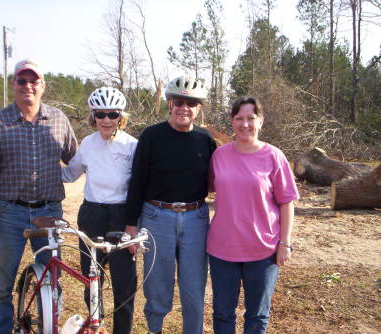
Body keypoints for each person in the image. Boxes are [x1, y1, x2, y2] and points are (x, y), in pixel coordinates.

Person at [0, 59, 78, 334]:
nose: (28, 86)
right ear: (14, 84)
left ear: (42, 86)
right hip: (10, 213)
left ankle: (48, 328)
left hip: (49, 214)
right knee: (2, 284)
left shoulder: (58, 120)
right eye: (22, 81)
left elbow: (78, 159)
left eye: (34, 81)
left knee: (52, 280)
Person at [126, 76, 217, 334]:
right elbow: (137, 182)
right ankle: (155, 329)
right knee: (157, 285)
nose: (183, 108)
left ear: (198, 107)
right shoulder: (151, 136)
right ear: (169, 103)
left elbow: (217, 180)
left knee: (194, 287)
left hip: (195, 218)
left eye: (190, 103)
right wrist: (131, 227)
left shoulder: (205, 139)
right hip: (157, 217)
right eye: (179, 101)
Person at [207, 96, 299, 334]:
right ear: (232, 121)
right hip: (223, 249)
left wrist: (285, 243)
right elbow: (204, 187)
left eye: (251, 118)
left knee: (257, 315)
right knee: (223, 313)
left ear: (261, 121)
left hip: (263, 250)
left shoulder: (274, 156)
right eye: (239, 118)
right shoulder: (219, 156)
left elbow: (287, 202)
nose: (245, 124)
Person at [61, 87, 138, 334]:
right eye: (100, 114)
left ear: (120, 117)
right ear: (93, 116)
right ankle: (98, 326)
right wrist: (41, 167)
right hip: (92, 215)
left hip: (121, 216)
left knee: (124, 284)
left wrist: (136, 224)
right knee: (91, 279)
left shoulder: (132, 146)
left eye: (112, 114)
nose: (106, 120)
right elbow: (70, 174)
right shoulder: (87, 143)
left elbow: (141, 186)